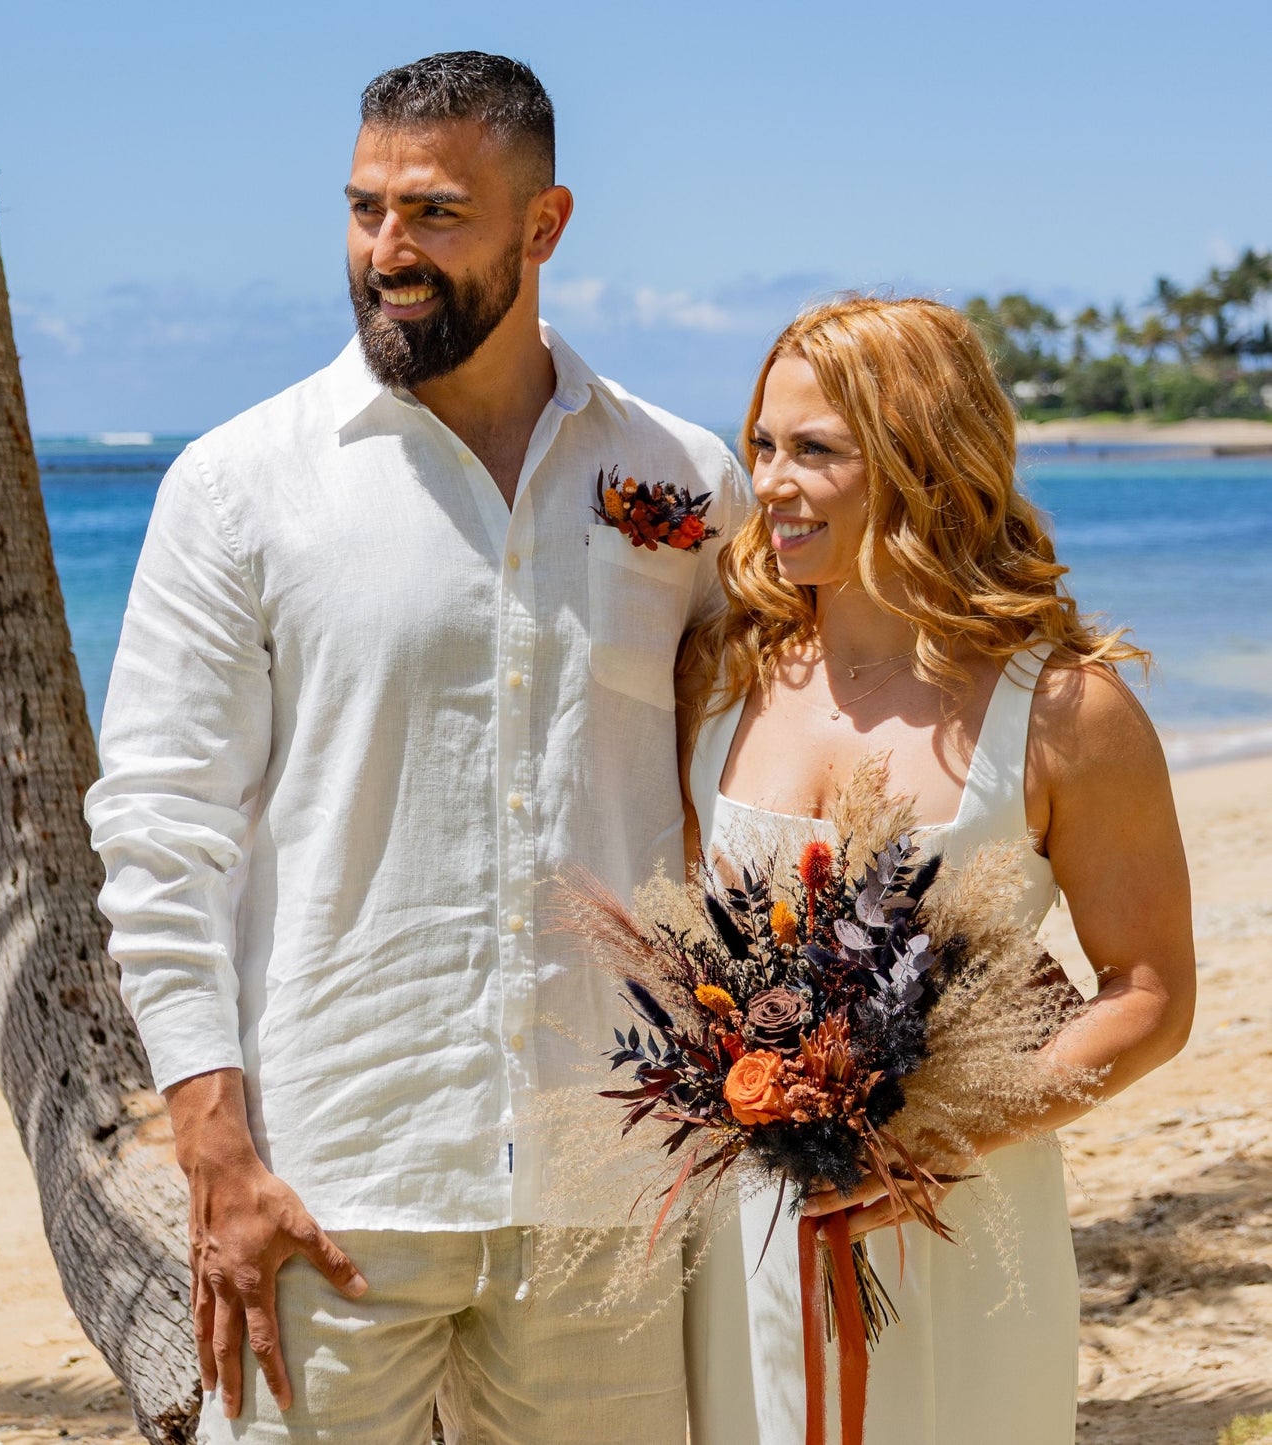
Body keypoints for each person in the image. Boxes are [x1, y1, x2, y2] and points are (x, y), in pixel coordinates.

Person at [84, 50, 748, 1445]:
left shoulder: (686, 482)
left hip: (608, 1175)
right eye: (364, 208)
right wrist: (215, 1150)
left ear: (543, 225)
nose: (388, 251)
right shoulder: (239, 485)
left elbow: (747, 774)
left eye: (435, 214)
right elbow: (159, 833)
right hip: (332, 1179)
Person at [677, 295, 1196, 1443]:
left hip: (960, 1221)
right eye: (760, 443)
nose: (767, 481)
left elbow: (1150, 995)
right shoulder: (721, 676)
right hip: (742, 1230)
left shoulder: (1063, 708)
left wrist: (943, 1137)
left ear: (915, 462)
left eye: (814, 449)